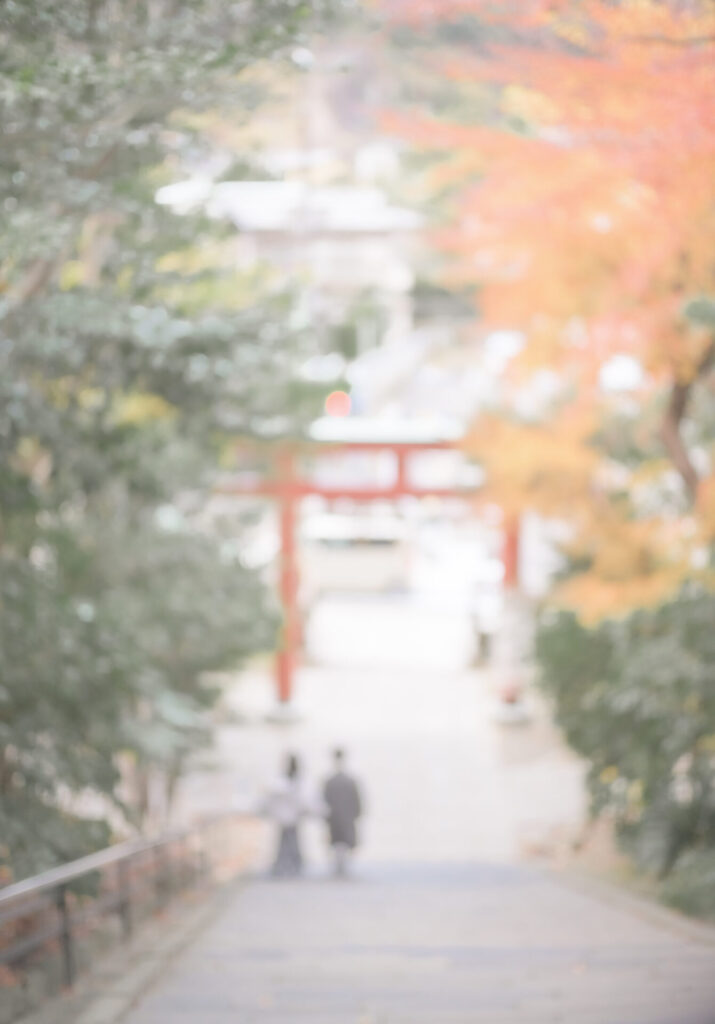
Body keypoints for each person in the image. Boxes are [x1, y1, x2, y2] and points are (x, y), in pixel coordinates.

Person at [262, 753, 310, 878]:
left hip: (286, 817)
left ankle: (285, 865)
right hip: (290, 817)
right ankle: (290, 865)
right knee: (289, 842)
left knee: (286, 842)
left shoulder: (286, 781)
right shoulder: (291, 782)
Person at [323, 748, 363, 878]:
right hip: (343, 817)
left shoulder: (332, 781)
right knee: (342, 842)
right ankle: (341, 868)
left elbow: (324, 801)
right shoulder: (347, 781)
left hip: (338, 817)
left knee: (339, 843)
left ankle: (340, 868)